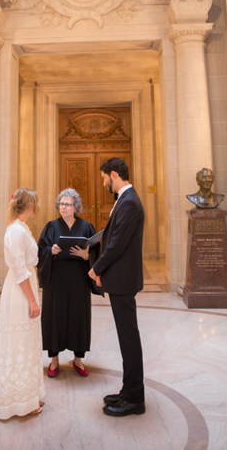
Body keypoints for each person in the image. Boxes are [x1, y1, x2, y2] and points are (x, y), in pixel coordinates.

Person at [89, 158, 146, 416]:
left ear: (114, 175)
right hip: (121, 280)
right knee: (126, 338)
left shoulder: (129, 202)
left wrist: (96, 268)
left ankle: (134, 399)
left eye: (103, 178)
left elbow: (117, 245)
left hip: (123, 282)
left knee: (129, 339)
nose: (103, 183)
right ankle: (128, 391)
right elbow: (114, 237)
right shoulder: (125, 200)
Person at [37, 188, 98, 378]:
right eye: (61, 204)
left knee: (78, 316)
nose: (64, 207)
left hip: (78, 279)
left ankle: (78, 359)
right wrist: (50, 252)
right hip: (56, 280)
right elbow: (40, 251)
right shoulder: (51, 226)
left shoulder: (86, 226)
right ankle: (54, 359)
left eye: (68, 204)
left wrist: (87, 255)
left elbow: (97, 252)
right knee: (55, 316)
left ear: (75, 207)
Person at [0, 188, 44, 420]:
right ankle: (20, 400)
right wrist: (32, 300)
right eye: (35, 203)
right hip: (19, 292)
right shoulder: (16, 231)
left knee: (27, 341)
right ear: (29, 205)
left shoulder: (22, 228)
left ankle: (29, 393)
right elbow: (18, 269)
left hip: (25, 286)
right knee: (19, 342)